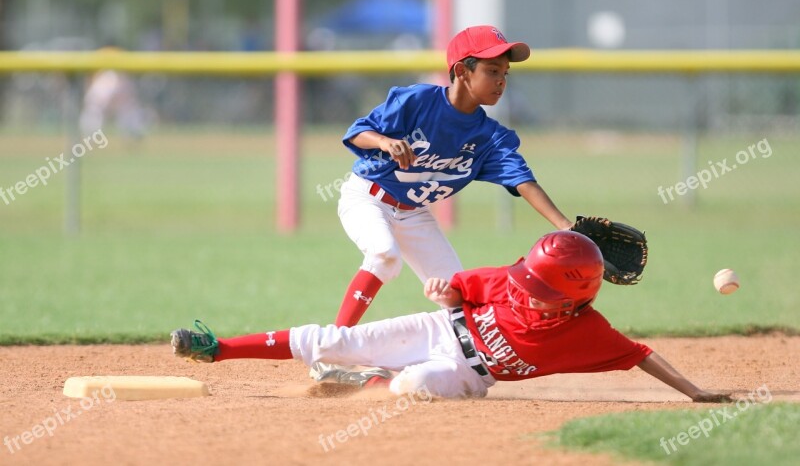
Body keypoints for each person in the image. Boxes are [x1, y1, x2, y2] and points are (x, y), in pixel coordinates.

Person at [171, 231, 731, 402]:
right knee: (333, 340)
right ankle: (216, 346)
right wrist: (444, 293)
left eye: (538, 288)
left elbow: (641, 356)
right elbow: (459, 292)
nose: (523, 287)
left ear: (575, 300)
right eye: (527, 278)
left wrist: (696, 393)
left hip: (469, 375)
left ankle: (374, 380)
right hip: (438, 327)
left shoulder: (591, 334)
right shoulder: (509, 279)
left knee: (411, 387)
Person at [332, 25, 572, 329]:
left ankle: (458, 365)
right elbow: (356, 133)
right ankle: (333, 345)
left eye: (505, 74)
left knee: (457, 293)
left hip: (414, 214)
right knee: (384, 255)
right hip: (368, 198)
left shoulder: (491, 137)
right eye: (492, 70)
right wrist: (383, 141)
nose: (501, 81)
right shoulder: (418, 101)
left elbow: (524, 182)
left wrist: (567, 228)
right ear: (462, 71)